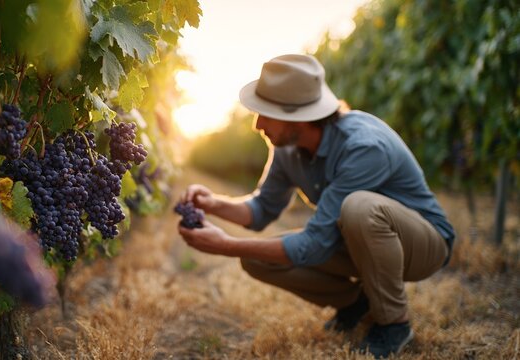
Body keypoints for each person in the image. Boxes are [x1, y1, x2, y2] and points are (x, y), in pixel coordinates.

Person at [177, 54, 455, 359]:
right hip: (356, 241)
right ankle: (355, 304)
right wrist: (213, 203)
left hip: (423, 244)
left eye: (266, 114)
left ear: (298, 116)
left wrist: (227, 245)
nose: (257, 124)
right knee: (256, 259)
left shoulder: (363, 146)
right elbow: (261, 208)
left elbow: (316, 244)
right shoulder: (286, 149)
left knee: (359, 208)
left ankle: (394, 324)